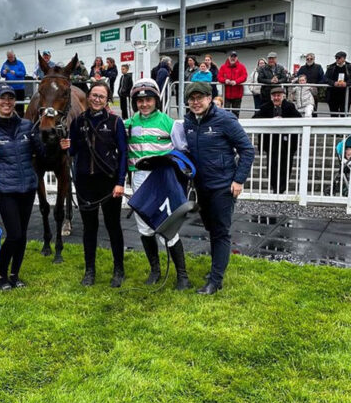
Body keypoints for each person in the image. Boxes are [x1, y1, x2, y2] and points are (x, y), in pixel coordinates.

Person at [172, 82, 254, 294]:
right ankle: (216, 269)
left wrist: (239, 180)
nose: (196, 102)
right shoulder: (188, 121)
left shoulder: (225, 119)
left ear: (210, 98)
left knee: (220, 232)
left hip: (223, 187)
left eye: (200, 98)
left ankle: (215, 281)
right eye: (192, 99)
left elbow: (247, 150)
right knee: (211, 229)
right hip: (202, 186)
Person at [60, 80, 127, 287]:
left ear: (107, 100)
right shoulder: (79, 121)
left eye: (101, 96)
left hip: (108, 181)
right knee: (90, 228)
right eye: (94, 95)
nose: (97, 99)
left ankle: (119, 269)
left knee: (113, 226)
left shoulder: (115, 122)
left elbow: (124, 154)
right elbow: (73, 151)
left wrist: (120, 182)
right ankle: (90, 270)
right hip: (84, 182)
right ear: (88, 97)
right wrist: (65, 147)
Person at [125, 79, 190, 290]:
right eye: (140, 101)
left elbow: (183, 151)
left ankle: (183, 276)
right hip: (139, 179)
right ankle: (155, 270)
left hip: (161, 179)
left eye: (148, 100)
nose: (144, 104)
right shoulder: (130, 123)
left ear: (156, 100)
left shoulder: (169, 123)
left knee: (168, 224)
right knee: (144, 227)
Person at [0, 83, 44, 291]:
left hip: (28, 188)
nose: (7, 102)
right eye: (2, 98)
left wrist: (49, 140)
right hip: (7, 191)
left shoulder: (27, 125)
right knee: (14, 234)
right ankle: (1, 276)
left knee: (23, 235)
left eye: (10, 98)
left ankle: (15, 275)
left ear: (14, 102)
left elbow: (42, 153)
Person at [253, 86, 302, 194]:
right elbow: (255, 119)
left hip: (287, 144)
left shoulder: (290, 106)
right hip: (271, 143)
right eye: (274, 96)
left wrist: (284, 121)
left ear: (283, 96)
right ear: (271, 97)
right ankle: (275, 188)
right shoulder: (266, 107)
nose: (276, 98)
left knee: (286, 167)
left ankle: (281, 189)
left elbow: (298, 119)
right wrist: (270, 121)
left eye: (278, 96)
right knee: (272, 167)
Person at [217, 51, 248, 118]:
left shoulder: (241, 67)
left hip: (237, 94)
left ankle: (235, 125)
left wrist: (236, 81)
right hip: (226, 95)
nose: (233, 58)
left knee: (236, 112)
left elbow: (244, 76)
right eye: (231, 56)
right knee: (226, 112)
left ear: (237, 58)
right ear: (229, 57)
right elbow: (219, 77)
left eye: (234, 57)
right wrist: (225, 80)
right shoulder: (223, 67)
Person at [0, 50, 27, 117]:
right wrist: (4, 72)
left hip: (20, 88)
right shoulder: (5, 64)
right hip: (10, 88)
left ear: (14, 56)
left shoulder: (20, 63)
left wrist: (16, 73)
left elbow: (23, 73)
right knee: (9, 104)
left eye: (11, 57)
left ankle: (20, 118)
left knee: (20, 105)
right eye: (9, 57)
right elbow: (2, 74)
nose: (10, 59)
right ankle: (10, 117)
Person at [325, 51, 351, 117]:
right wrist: (333, 83)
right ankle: (334, 127)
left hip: (345, 95)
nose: (337, 59)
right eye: (336, 57)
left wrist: (347, 83)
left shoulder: (349, 67)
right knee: (333, 115)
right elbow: (325, 78)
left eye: (339, 58)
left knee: (344, 115)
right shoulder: (331, 67)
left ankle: (343, 127)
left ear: (344, 58)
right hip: (333, 95)